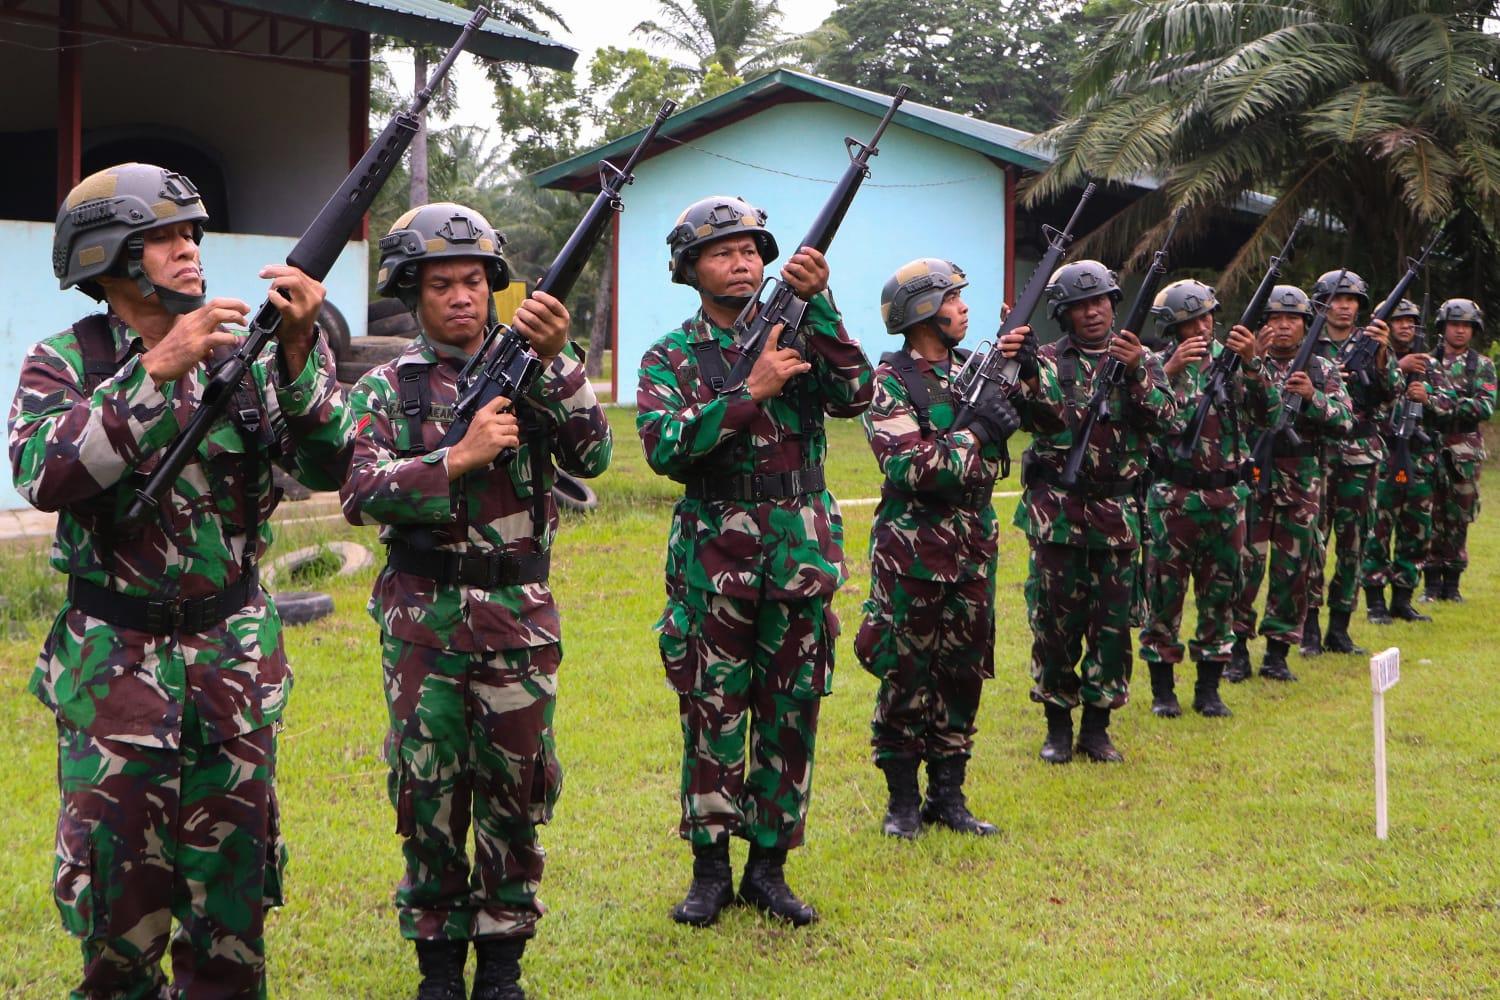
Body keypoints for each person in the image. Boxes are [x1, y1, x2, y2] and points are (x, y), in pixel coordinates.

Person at [9, 162, 350, 997]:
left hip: (232, 675)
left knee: (232, 926)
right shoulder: (65, 362)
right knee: (117, 927)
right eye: (163, 236)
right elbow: (45, 475)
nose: (190, 248)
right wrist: (153, 374)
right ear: (109, 256)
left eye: (191, 233)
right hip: (112, 682)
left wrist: (299, 353)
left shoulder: (250, 356)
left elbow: (333, 463)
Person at [341, 203, 610, 999]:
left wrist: (560, 367)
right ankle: (437, 965)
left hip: (518, 618)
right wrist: (454, 460)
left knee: (515, 790)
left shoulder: (536, 368)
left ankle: (501, 963)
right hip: (422, 622)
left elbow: (594, 452)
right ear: (411, 294)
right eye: (441, 285)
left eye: (473, 281)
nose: (461, 297)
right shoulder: (387, 386)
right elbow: (359, 491)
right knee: (427, 794)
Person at [636, 195, 873, 927]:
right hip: (715, 561)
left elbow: (857, 394)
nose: (741, 263)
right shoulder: (671, 356)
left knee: (790, 715)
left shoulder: (801, 332)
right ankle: (709, 871)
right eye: (723, 252)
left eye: (751, 251)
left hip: (799, 556)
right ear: (690, 268)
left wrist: (822, 304)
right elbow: (667, 448)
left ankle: (769, 868)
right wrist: (750, 392)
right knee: (712, 714)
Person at [855, 259, 1018, 838]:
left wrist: (1025, 362)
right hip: (912, 550)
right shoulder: (889, 382)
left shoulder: (977, 370)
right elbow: (912, 466)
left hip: (973, 545)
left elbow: (1045, 419)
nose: (964, 307)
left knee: (963, 672)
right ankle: (902, 803)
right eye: (952, 298)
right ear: (923, 310)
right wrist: (977, 434)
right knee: (905, 672)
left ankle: (948, 797)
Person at [997, 259, 1176, 763]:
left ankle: (1097, 728)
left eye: (1100, 301)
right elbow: (1036, 416)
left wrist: (1137, 371)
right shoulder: (1047, 361)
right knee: (1054, 625)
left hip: (1118, 516)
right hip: (1058, 516)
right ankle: (1058, 726)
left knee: (1112, 629)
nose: (1093, 312)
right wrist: (1024, 368)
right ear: (1064, 313)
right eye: (1080, 305)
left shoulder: (1143, 359)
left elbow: (1167, 418)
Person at [1138, 279, 1276, 717]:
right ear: (1172, 327)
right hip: (1173, 499)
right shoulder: (1153, 365)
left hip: (1226, 498)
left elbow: (1271, 415)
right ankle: (1163, 691)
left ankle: (1209, 689)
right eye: (1192, 320)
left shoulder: (1233, 362)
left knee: (1221, 594)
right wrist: (1169, 371)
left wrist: (1253, 365)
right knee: (1164, 595)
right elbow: (1144, 418)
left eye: (1208, 316)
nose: (1203, 326)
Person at [1226, 286, 1353, 682]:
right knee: (1244, 564)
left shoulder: (1321, 368)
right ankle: (1236, 649)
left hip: (1301, 479)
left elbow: (1345, 420)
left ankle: (1278, 652)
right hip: (1254, 475)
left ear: (1306, 325)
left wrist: (1313, 398)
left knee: (1294, 568)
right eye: (1275, 318)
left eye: (1292, 319)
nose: (1283, 326)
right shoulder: (1241, 364)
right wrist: (1253, 367)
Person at [1301, 270, 1400, 656]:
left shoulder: (1373, 341)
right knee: (1313, 542)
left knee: (1354, 542)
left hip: (1361, 454)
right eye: (1336, 299)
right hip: (1318, 453)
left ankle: (1339, 628)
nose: (1344, 306)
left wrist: (1382, 355)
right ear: (1321, 305)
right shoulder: (1308, 344)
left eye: (1351, 300)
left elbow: (1392, 392)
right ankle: (1309, 627)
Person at [1360, 298, 1454, 623]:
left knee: (1416, 532)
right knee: (1377, 531)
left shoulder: (1430, 365)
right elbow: (1365, 396)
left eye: (1411, 321)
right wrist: (1398, 367)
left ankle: (1403, 599)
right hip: (1384, 457)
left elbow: (1450, 403)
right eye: (1399, 320)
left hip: (1420, 460)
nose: (1405, 326)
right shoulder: (1368, 359)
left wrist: (1428, 398)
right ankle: (1375, 602)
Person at [1425, 298, 1497, 602]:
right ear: (1443, 327)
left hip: (1464, 452)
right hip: (1429, 446)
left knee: (1459, 515)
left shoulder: (1482, 365)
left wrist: (1441, 403)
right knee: (1429, 513)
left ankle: (1452, 584)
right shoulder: (1426, 362)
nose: (1460, 331)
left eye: (1466, 325)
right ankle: (1430, 584)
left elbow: (1484, 407)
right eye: (1454, 324)